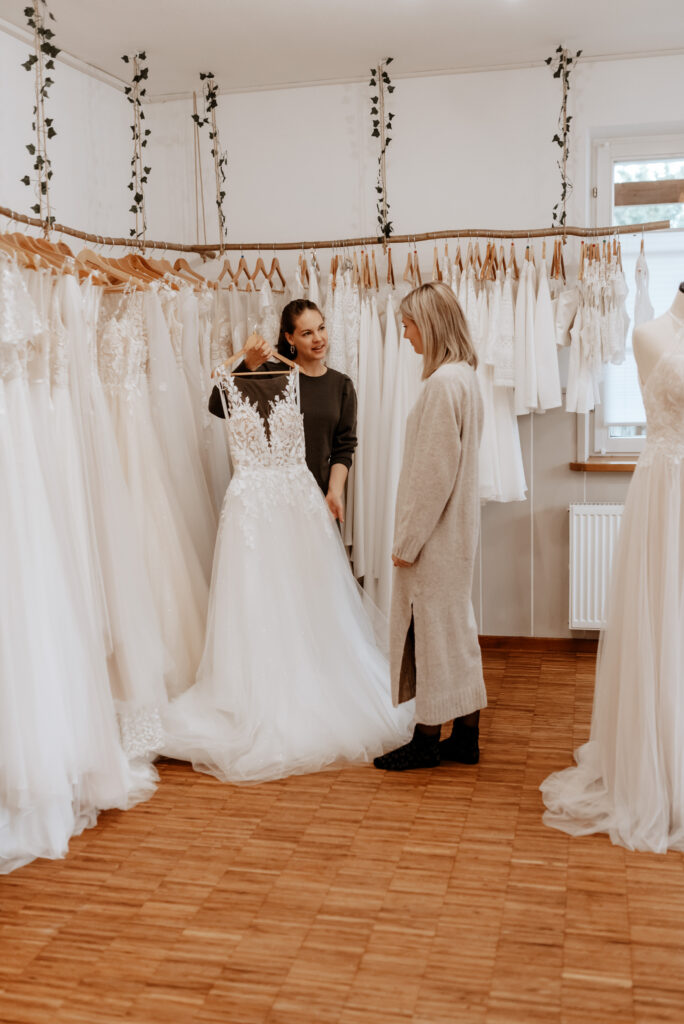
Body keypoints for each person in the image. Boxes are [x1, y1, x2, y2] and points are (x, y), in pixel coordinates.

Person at [374, 281, 488, 771]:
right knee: (452, 630)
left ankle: (426, 738)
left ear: (431, 324)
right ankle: (464, 735)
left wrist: (407, 541)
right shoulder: (463, 377)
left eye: (408, 324)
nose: (405, 336)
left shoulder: (443, 384)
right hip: (455, 529)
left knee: (432, 631)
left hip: (436, 535)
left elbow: (432, 474)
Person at [209, 299, 356, 523]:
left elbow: (343, 447)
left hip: (318, 500)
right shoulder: (271, 375)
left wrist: (334, 492)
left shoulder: (341, 385)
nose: (318, 338)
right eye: (307, 333)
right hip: (273, 502)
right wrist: (247, 366)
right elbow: (218, 406)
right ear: (290, 338)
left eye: (321, 328)